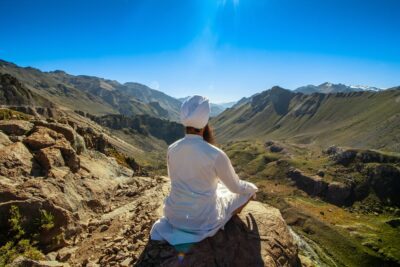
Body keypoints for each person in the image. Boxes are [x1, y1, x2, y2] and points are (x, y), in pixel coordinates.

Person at [150, 95, 258, 245]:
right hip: (203, 220)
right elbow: (235, 187)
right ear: (205, 122)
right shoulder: (216, 154)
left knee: (219, 189)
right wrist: (252, 187)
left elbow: (173, 178)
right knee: (244, 193)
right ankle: (232, 215)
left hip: (174, 216)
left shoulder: (172, 148)